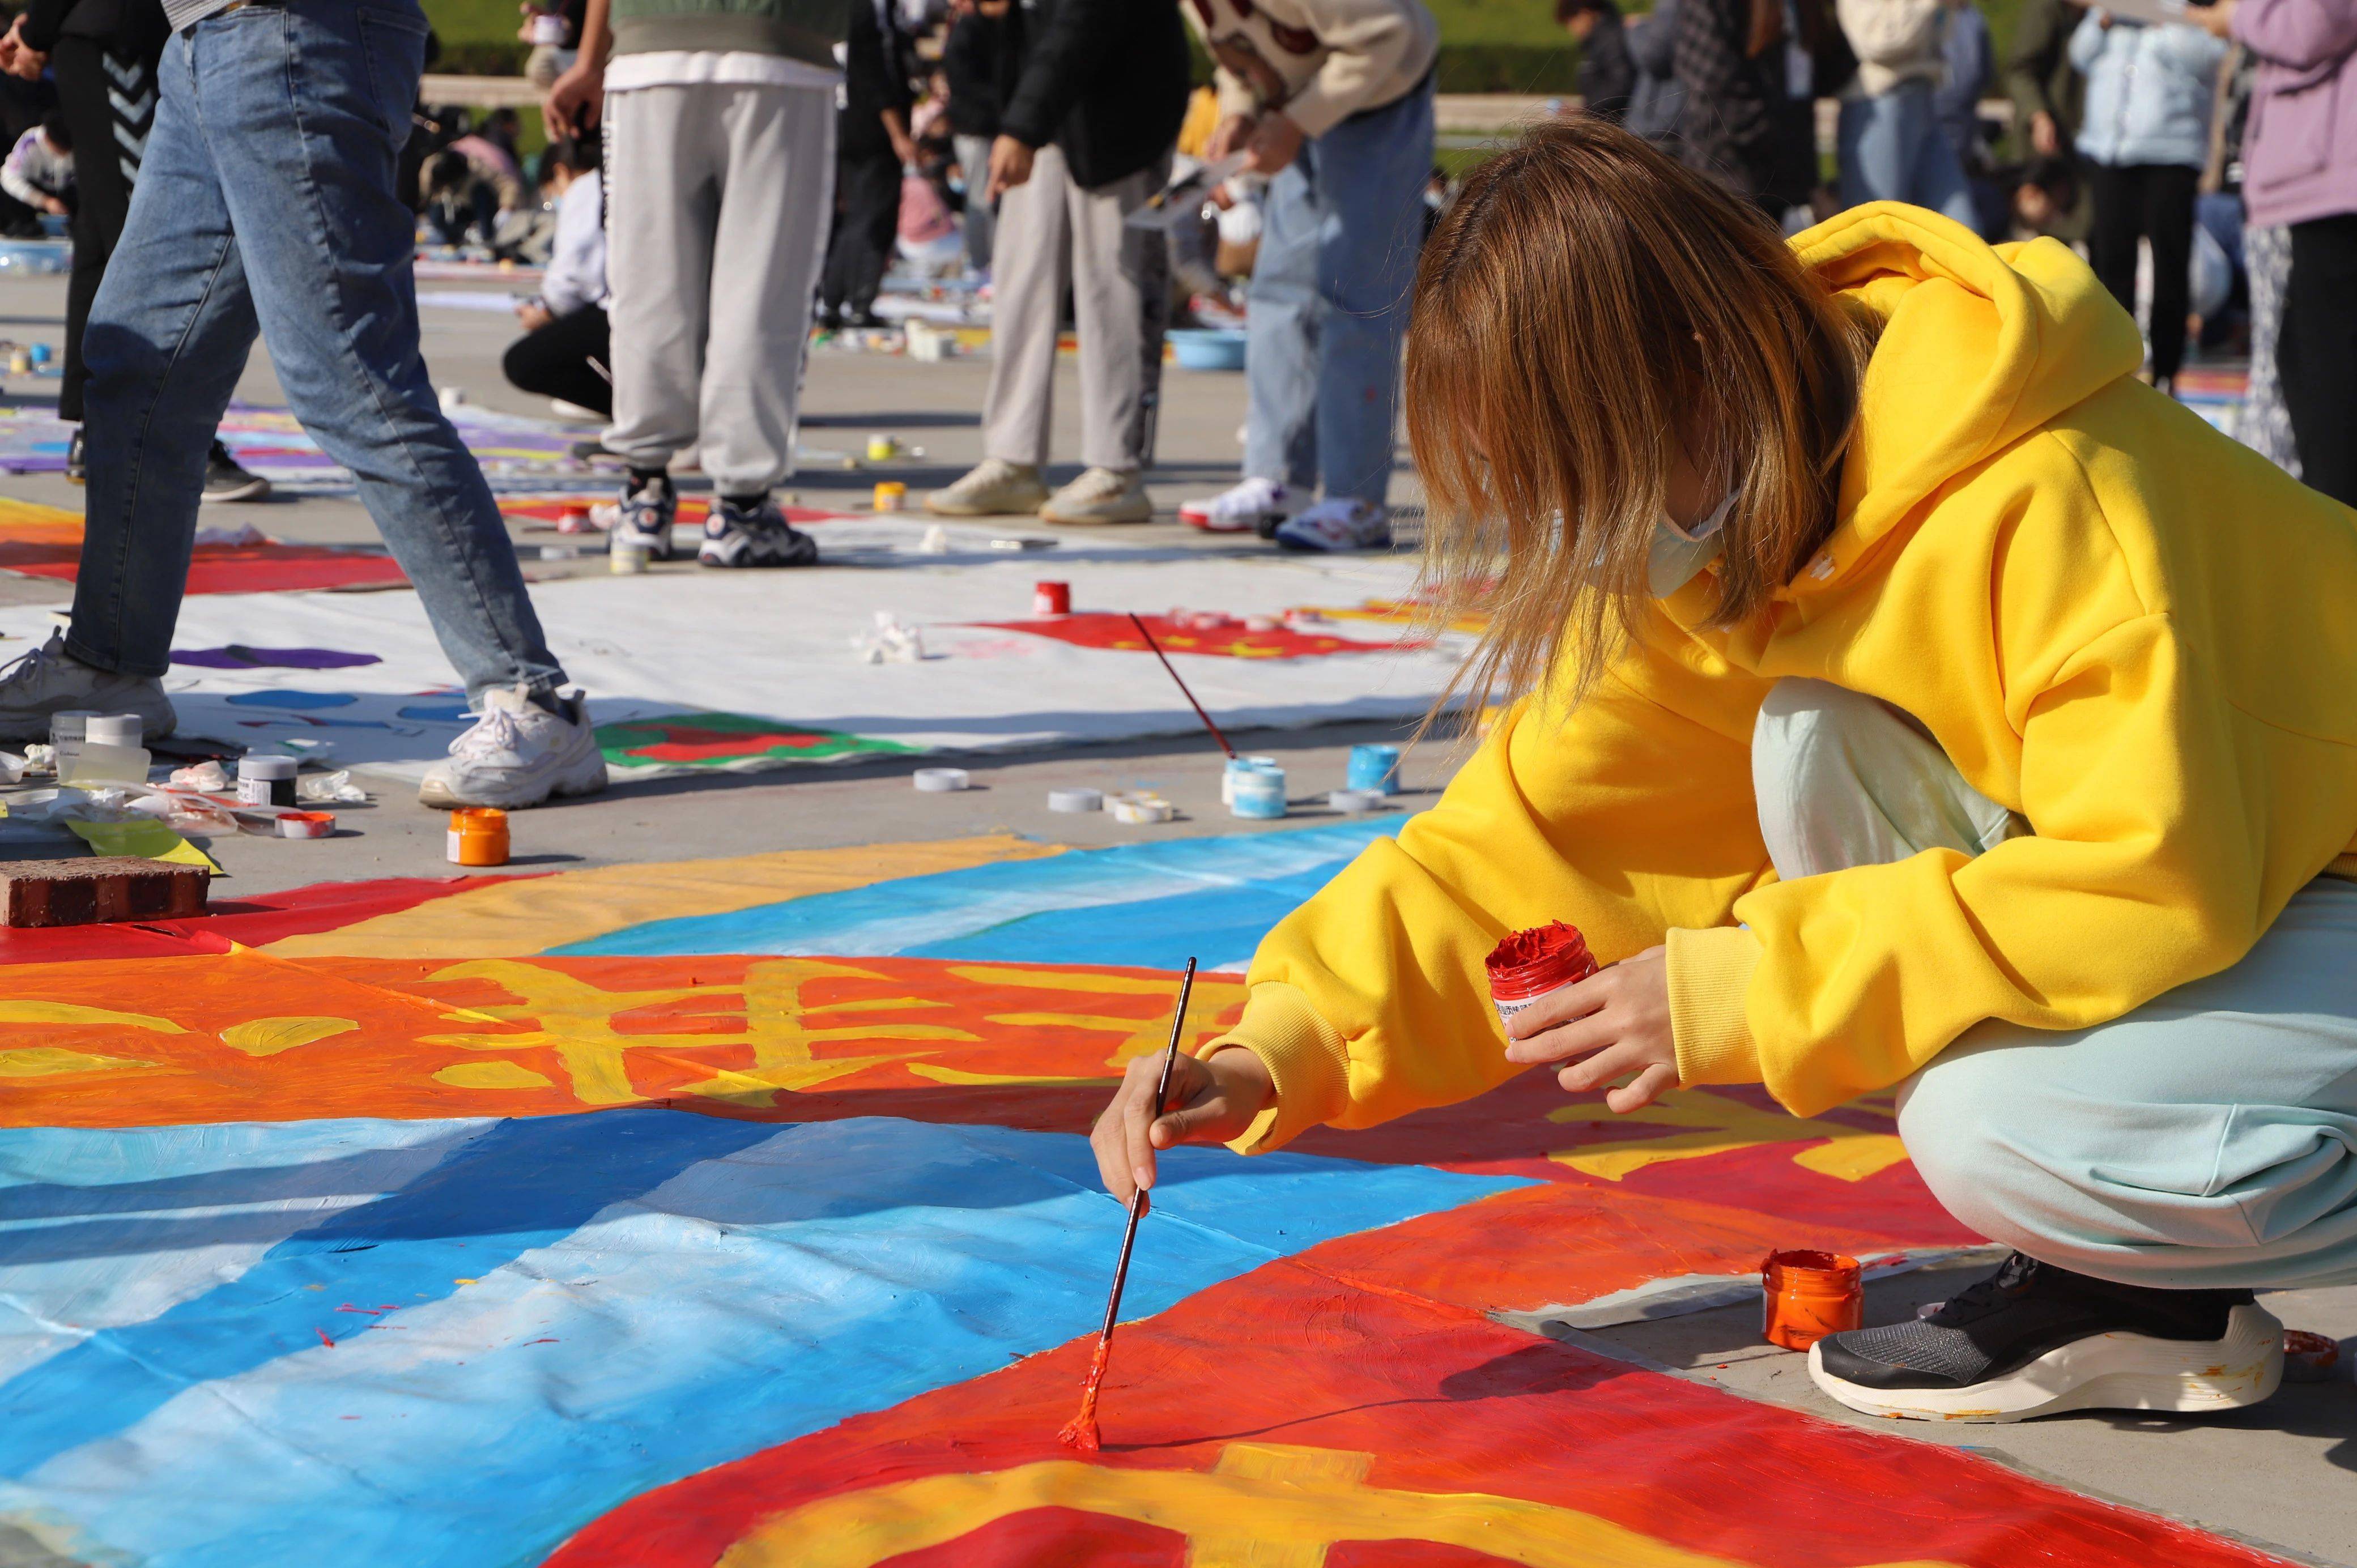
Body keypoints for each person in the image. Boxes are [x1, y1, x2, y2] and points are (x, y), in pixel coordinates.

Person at [1089, 117, 2357, 1426]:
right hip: (2274, 883)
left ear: (1695, 368)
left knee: (1999, 1131)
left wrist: (1760, 982)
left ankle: (2126, 1253)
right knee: (1814, 737)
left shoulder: (2054, 500)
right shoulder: (1746, 510)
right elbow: (1546, 839)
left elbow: (2149, 872)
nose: (1576, 528)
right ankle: (2139, 1292)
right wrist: (1273, 1047)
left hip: (2278, 877)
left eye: (1580, 473)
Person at [0, 0, 602, 811]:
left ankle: (532, 697)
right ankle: (111, 664)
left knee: (350, 374)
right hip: (204, 39)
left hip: (289, 29)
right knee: (140, 367)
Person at [545, 0, 837, 570]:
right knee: (761, 286)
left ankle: (644, 493)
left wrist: (590, 61)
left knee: (648, 285)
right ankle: (741, 506)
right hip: (778, 45)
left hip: (651, 46)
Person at [1173, 0, 1439, 551]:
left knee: (1356, 294)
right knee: (1278, 287)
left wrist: (1296, 123)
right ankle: (1277, 478)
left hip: (1379, 94)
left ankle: (1356, 500)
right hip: (1301, 100)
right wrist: (1240, 112)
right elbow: (1238, 52)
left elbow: (1383, 35)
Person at [922, 0, 1188, 526]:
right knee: (1021, 282)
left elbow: (1084, 19)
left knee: (1115, 290)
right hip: (1045, 112)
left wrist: (1022, 126)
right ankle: (1013, 457)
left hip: (1120, 119)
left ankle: (1117, 467)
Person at [0, 0, 267, 500]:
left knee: (105, 242)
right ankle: (164, 437)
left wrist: (39, 26)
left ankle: (103, 430)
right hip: (116, 36)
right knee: (149, 237)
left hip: (115, 37)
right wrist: (38, 29)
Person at [2226, 0, 2357, 505]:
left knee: (2315, 377)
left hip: (2328, 184)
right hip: (2317, 179)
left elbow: (2315, 23)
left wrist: (2238, 16)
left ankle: (2330, 533)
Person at [2070, 6, 2227, 393]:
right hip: (2110, 152)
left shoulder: (2187, 8)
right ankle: (2111, 368)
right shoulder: (2113, 8)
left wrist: (2161, 17)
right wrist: (2105, 19)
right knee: (2111, 262)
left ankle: (2166, 372)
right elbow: (2080, 54)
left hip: (2171, 154)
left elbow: (2208, 58)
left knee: (2170, 264)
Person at [818, 0, 917, 331]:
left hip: (846, 123)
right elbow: (876, 76)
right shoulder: (867, 14)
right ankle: (857, 301)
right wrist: (898, 133)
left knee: (853, 218)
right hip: (871, 131)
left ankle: (833, 300)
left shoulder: (857, 12)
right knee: (872, 219)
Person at [1833, 0, 1977, 224]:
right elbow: (1878, 41)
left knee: (1963, 228)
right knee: (1877, 231)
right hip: (1879, 106)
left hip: (1925, 103)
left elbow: (1941, 38)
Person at [502, 134, 610, 419]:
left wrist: (547, 312)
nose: (557, 199)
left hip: (621, 312)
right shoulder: (615, 178)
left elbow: (575, 268)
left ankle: (633, 410)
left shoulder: (586, 188)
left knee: (524, 363)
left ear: (561, 172)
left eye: (554, 192)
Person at [942, 0, 1008, 275]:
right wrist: (1003, 102)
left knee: (989, 197)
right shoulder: (969, 31)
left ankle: (989, 261)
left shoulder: (989, 28)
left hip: (987, 126)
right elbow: (964, 83)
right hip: (975, 129)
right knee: (982, 198)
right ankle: (981, 263)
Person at [1562, 0, 1637, 123]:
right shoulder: (1599, 42)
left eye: (1570, 21)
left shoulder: (1611, 40)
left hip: (1619, 125)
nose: (1571, 30)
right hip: (1611, 122)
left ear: (1585, 14)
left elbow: (1622, 86)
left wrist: (1585, 110)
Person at [1623, 0, 1687, 145]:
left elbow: (1655, 56)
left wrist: (1637, 29)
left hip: (1660, 122)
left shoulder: (1670, 6)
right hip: (1678, 120)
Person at [0, 112, 70, 216]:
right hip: (43, 190)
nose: (64, 154)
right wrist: (44, 201)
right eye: (59, 150)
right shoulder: (29, 145)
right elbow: (8, 178)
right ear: (47, 138)